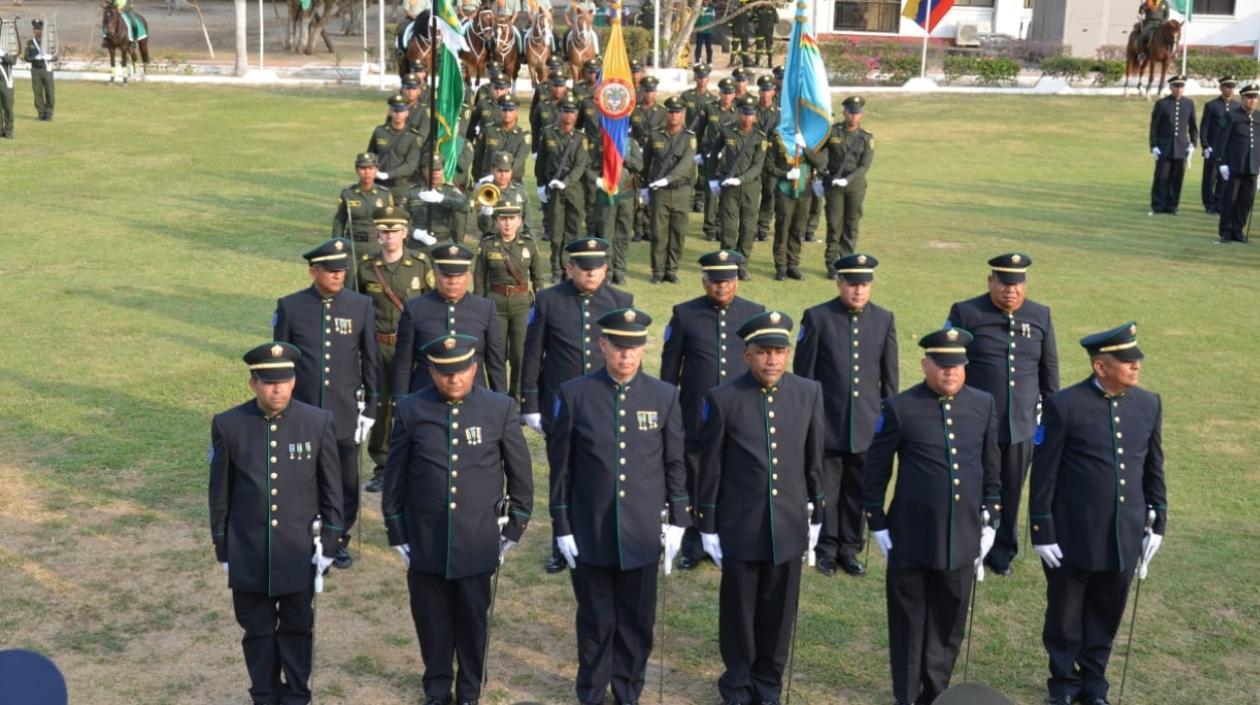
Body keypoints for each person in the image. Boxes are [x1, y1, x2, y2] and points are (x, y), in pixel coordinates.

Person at [548, 307, 690, 705]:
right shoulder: (574, 394)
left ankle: (628, 691)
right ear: (603, 345)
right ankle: (591, 693)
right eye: (618, 347)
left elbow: (674, 462)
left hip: (642, 531)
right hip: (590, 528)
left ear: (644, 347)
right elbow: (562, 469)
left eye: (634, 347)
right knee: (596, 620)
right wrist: (561, 526)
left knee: (637, 621)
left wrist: (679, 519)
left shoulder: (664, 396)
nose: (626, 356)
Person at [383, 332, 533, 705]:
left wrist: (514, 528)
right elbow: (394, 479)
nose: (454, 379)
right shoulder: (410, 409)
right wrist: (397, 531)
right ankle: (436, 689)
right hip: (427, 537)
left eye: (461, 371)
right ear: (431, 371)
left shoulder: (498, 408)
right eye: (445, 372)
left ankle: (469, 689)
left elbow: (521, 475)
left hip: (477, 536)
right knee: (431, 621)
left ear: (474, 367)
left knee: (471, 619)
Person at [862, 328, 1002, 705]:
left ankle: (936, 694)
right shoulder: (901, 407)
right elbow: (876, 468)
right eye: (942, 366)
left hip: (962, 536)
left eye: (957, 366)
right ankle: (906, 697)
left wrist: (991, 514)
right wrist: (876, 520)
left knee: (948, 622)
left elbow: (991, 465)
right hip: (911, 536)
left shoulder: (983, 404)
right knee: (908, 623)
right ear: (926, 364)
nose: (951, 373)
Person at [1030, 322, 1167, 705]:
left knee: (1106, 613)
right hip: (1072, 535)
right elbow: (1044, 474)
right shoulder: (1064, 406)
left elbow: (1153, 467)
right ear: (1100, 367)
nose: (1135, 366)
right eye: (1126, 361)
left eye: (1136, 360)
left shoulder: (1149, 403)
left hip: (1124, 533)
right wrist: (1042, 530)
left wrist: (1158, 521)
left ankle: (1094, 684)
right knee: (1065, 618)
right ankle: (1063, 685)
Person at [697, 310, 824, 705]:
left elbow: (814, 458)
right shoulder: (723, 399)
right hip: (741, 524)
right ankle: (737, 682)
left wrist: (817, 514)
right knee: (739, 612)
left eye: (779, 352)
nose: (772, 360)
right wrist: (708, 524)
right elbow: (711, 466)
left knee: (779, 613)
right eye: (764, 352)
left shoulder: (808, 393)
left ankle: (768, 684)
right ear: (746, 355)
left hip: (787, 525)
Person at [209, 342, 344, 705]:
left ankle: (298, 693)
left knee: (298, 628)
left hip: (299, 548)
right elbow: (220, 493)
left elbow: (333, 489)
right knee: (257, 631)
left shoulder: (317, 422)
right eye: (269, 382)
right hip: (249, 549)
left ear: (294, 381)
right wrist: (223, 546)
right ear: (253, 383)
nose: (278, 389)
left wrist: (330, 543)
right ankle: (265, 694)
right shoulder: (228, 425)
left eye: (284, 381)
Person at [520, 237, 633, 573]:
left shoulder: (621, 301)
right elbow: (532, 354)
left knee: (607, 471)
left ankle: (606, 535)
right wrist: (530, 402)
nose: (590, 274)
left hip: (605, 402)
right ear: (569, 268)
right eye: (583, 268)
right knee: (563, 474)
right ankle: (561, 542)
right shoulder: (548, 300)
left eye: (596, 268)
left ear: (605, 268)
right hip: (562, 403)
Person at [947, 253, 1059, 576]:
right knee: (970, 487)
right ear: (990, 282)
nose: (1011, 291)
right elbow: (951, 364)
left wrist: (1051, 422)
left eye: (1017, 284)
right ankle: (965, 545)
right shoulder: (966, 312)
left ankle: (1002, 553)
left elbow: (1049, 371)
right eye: (1004, 283)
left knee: (1010, 490)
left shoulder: (1040, 316)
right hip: (976, 425)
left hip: (1021, 425)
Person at [273, 238, 379, 570]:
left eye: (341, 270)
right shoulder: (291, 307)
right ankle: (305, 537)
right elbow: (280, 364)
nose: (338, 276)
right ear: (313, 271)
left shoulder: (360, 305)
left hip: (345, 412)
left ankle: (338, 539)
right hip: (303, 411)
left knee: (345, 480)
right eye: (330, 271)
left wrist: (372, 407)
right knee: (302, 478)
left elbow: (370, 360)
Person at [794, 254, 897, 577]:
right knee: (827, 489)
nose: (858, 291)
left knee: (858, 490)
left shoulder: (883, 319)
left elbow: (889, 375)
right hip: (828, 421)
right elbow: (804, 375)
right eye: (852, 284)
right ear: (839, 284)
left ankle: (850, 548)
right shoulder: (818, 317)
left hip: (866, 423)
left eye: (864, 285)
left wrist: (890, 420)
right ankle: (826, 547)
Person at [660, 250, 764, 569]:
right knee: (695, 472)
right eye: (716, 282)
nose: (722, 287)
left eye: (729, 281)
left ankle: (727, 534)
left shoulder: (754, 313)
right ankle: (693, 539)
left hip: (740, 412)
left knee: (733, 473)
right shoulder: (685, 314)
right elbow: (670, 368)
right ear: (704, 282)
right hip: (696, 411)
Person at [357, 206, 434, 493]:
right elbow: (357, 307)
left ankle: (414, 460)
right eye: (384, 232)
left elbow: (432, 305)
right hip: (378, 345)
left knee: (414, 402)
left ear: (404, 233)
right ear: (377, 234)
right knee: (380, 404)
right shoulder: (366, 266)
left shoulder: (421, 265)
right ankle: (382, 465)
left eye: (394, 232)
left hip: (412, 347)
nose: (389, 238)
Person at [393, 242, 507, 396]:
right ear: (434, 276)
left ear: (469, 277)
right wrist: (401, 406)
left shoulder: (485, 309)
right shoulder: (415, 309)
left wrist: (501, 403)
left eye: (459, 275)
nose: (453, 282)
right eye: (446, 275)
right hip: (426, 399)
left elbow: (495, 364)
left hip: (474, 399)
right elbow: (403, 364)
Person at [474, 196, 544, 405]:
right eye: (503, 218)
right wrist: (478, 307)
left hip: (522, 305)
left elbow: (538, 277)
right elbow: (479, 278)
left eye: (512, 218)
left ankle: (517, 398)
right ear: (496, 221)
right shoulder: (487, 245)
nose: (507, 223)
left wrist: (540, 305)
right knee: (495, 355)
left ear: (520, 220)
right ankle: (498, 398)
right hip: (494, 305)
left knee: (519, 356)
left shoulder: (529, 245)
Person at [535, 94, 591, 281]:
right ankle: (556, 269)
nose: (569, 116)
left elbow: (580, 166)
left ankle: (569, 269)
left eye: (573, 112)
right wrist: (540, 185)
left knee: (572, 231)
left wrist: (565, 182)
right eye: (565, 111)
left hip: (574, 189)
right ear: (559, 112)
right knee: (556, 232)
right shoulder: (548, 133)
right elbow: (541, 163)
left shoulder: (580, 138)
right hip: (553, 188)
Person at [713, 95, 768, 280]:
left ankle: (742, 264)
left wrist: (741, 179)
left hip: (750, 187)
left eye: (750, 115)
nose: (747, 118)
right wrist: (713, 178)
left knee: (748, 226)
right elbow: (713, 154)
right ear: (739, 113)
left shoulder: (760, 138)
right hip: (729, 186)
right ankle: (727, 263)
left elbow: (757, 166)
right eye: (744, 114)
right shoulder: (727, 131)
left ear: (755, 117)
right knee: (728, 226)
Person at [644, 96, 697, 283]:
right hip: (660, 192)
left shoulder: (689, 138)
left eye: (678, 112)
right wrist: (644, 187)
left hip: (681, 190)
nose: (674, 116)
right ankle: (657, 270)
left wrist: (667, 179)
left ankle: (672, 269)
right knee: (658, 232)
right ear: (666, 113)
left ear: (683, 115)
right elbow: (646, 162)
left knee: (678, 232)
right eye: (671, 111)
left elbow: (685, 165)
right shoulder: (655, 135)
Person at [821, 96, 874, 273]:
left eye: (857, 113)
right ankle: (831, 263)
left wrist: (848, 179)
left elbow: (864, 165)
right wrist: (824, 175)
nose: (854, 116)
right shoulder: (833, 132)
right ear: (844, 113)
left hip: (855, 186)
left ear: (861, 115)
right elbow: (822, 155)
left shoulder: (866, 137)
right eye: (851, 113)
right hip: (834, 184)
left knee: (851, 224)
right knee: (834, 224)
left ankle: (845, 261)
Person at [766, 128, 824, 280]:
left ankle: (793, 264)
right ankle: (781, 266)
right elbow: (769, 165)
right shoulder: (778, 138)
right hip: (784, 189)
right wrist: (785, 174)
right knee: (783, 227)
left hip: (804, 189)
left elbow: (818, 162)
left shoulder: (810, 139)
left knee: (798, 229)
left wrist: (805, 147)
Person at [1214, 83, 1259, 244]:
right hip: (1234, 166)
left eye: (1255, 97)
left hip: (1252, 166)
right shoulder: (1231, 116)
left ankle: (1238, 230)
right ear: (1242, 98)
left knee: (1246, 201)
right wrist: (1222, 163)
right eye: (1249, 97)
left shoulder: (1259, 117)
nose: (1252, 101)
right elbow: (1221, 141)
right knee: (1230, 200)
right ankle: (1225, 231)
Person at [595, 135, 644, 286]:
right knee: (606, 232)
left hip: (627, 194)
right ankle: (607, 270)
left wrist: (623, 156)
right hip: (606, 194)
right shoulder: (600, 140)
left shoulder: (630, 142)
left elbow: (639, 165)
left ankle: (620, 269)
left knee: (623, 232)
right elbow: (591, 165)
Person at [695, 78, 738, 242]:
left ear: (734, 94)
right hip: (711, 156)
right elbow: (698, 132)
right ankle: (710, 228)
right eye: (724, 92)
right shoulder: (709, 108)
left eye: (730, 93)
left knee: (727, 194)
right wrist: (698, 152)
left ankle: (722, 226)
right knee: (711, 194)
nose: (727, 96)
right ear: (719, 93)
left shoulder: (738, 112)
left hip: (730, 158)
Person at [1148, 74, 1197, 216]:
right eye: (1176, 86)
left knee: (1177, 178)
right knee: (1161, 177)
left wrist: (1193, 143)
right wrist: (1154, 145)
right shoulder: (1162, 104)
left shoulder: (1189, 103)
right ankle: (1158, 205)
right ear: (1171, 87)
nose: (1179, 89)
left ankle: (1172, 205)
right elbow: (1154, 127)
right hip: (1164, 146)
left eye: (1181, 87)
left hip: (1181, 147)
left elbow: (1193, 126)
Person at [404, 153, 472, 245]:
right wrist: (416, 233)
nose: (435, 173)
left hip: (442, 242)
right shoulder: (412, 192)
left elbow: (467, 206)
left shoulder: (449, 190)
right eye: (431, 170)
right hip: (417, 243)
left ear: (443, 170)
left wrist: (442, 199)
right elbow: (401, 220)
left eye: (438, 170)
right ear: (423, 170)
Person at [368, 94, 424, 202]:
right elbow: (371, 156)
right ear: (390, 112)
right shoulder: (379, 132)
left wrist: (387, 175)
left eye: (401, 111)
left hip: (401, 188)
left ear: (407, 113)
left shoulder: (413, 136)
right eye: (395, 111)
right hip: (379, 186)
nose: (398, 114)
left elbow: (410, 165)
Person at [334, 153, 396, 249]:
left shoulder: (384, 194)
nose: (367, 172)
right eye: (362, 168)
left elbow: (391, 221)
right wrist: (337, 241)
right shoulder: (348, 193)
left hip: (376, 245)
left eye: (370, 168)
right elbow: (339, 220)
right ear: (357, 170)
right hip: (352, 245)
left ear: (376, 170)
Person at [1199, 76, 1239, 214]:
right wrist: (1205, 146)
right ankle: (1209, 205)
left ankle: (1219, 204)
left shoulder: (1237, 106)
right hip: (1214, 148)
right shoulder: (1212, 105)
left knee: (1224, 179)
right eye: (1227, 86)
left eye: (1232, 87)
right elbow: (1204, 128)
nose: (1230, 89)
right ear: (1221, 87)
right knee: (1210, 178)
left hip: (1229, 150)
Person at [475, 150, 534, 240]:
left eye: (507, 171)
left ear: (511, 171)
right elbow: (483, 228)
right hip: (493, 239)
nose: (503, 175)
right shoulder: (485, 192)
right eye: (500, 171)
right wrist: (485, 215)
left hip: (516, 240)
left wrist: (529, 240)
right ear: (492, 170)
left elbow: (527, 223)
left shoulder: (519, 191)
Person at [681, 64, 716, 212]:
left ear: (708, 79)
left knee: (703, 172)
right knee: (687, 170)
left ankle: (700, 199)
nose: (702, 80)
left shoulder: (712, 99)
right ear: (696, 77)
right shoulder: (687, 96)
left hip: (704, 141)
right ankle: (687, 198)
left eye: (705, 77)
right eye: (699, 77)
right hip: (689, 138)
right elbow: (680, 116)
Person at [473, 96, 530, 183]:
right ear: (500, 111)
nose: (507, 113)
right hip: (488, 179)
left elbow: (519, 160)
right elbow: (478, 157)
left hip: (512, 181)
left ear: (516, 112)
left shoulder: (523, 135)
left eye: (510, 110)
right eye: (504, 110)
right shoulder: (488, 130)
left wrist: (502, 176)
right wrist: (477, 179)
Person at [753, 75, 781, 245]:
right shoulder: (751, 111)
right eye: (763, 89)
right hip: (753, 156)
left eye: (768, 89)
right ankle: (750, 225)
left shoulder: (779, 114)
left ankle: (763, 227)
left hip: (771, 158)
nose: (765, 93)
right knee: (751, 193)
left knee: (769, 192)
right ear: (759, 91)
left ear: (773, 91)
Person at [25, 19, 54, 121]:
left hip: (46, 69)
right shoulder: (30, 42)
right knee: (37, 93)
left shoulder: (49, 42)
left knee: (49, 92)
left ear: (43, 30)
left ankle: (49, 114)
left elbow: (56, 56)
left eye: (39, 29)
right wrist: (35, 57)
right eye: (35, 29)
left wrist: (50, 57)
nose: (37, 31)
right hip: (35, 70)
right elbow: (26, 57)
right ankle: (41, 114)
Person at [728, 0, 753, 68]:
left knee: (745, 49)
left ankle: (745, 63)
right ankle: (732, 62)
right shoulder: (737, 11)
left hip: (744, 32)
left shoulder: (748, 11)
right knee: (734, 49)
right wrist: (731, 29)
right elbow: (731, 20)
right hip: (737, 32)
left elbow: (751, 19)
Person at [753, 2, 777, 67]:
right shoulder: (772, 9)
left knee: (760, 48)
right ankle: (769, 64)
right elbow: (776, 20)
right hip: (768, 31)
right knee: (768, 48)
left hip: (761, 31)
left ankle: (758, 63)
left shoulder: (758, 9)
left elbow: (752, 19)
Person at [694, 0, 715, 65]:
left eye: (707, 1)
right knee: (698, 46)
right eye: (704, 1)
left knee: (709, 47)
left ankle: (709, 61)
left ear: (708, 2)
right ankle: (697, 61)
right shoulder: (698, 10)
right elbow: (695, 20)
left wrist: (710, 26)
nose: (705, 2)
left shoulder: (711, 10)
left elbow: (713, 19)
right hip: (700, 31)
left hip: (708, 32)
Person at [0, 51, 13, 139]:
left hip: (5, 83)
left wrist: (3, 55)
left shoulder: (7, 49)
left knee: (8, 108)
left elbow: (13, 61)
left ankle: (8, 131)